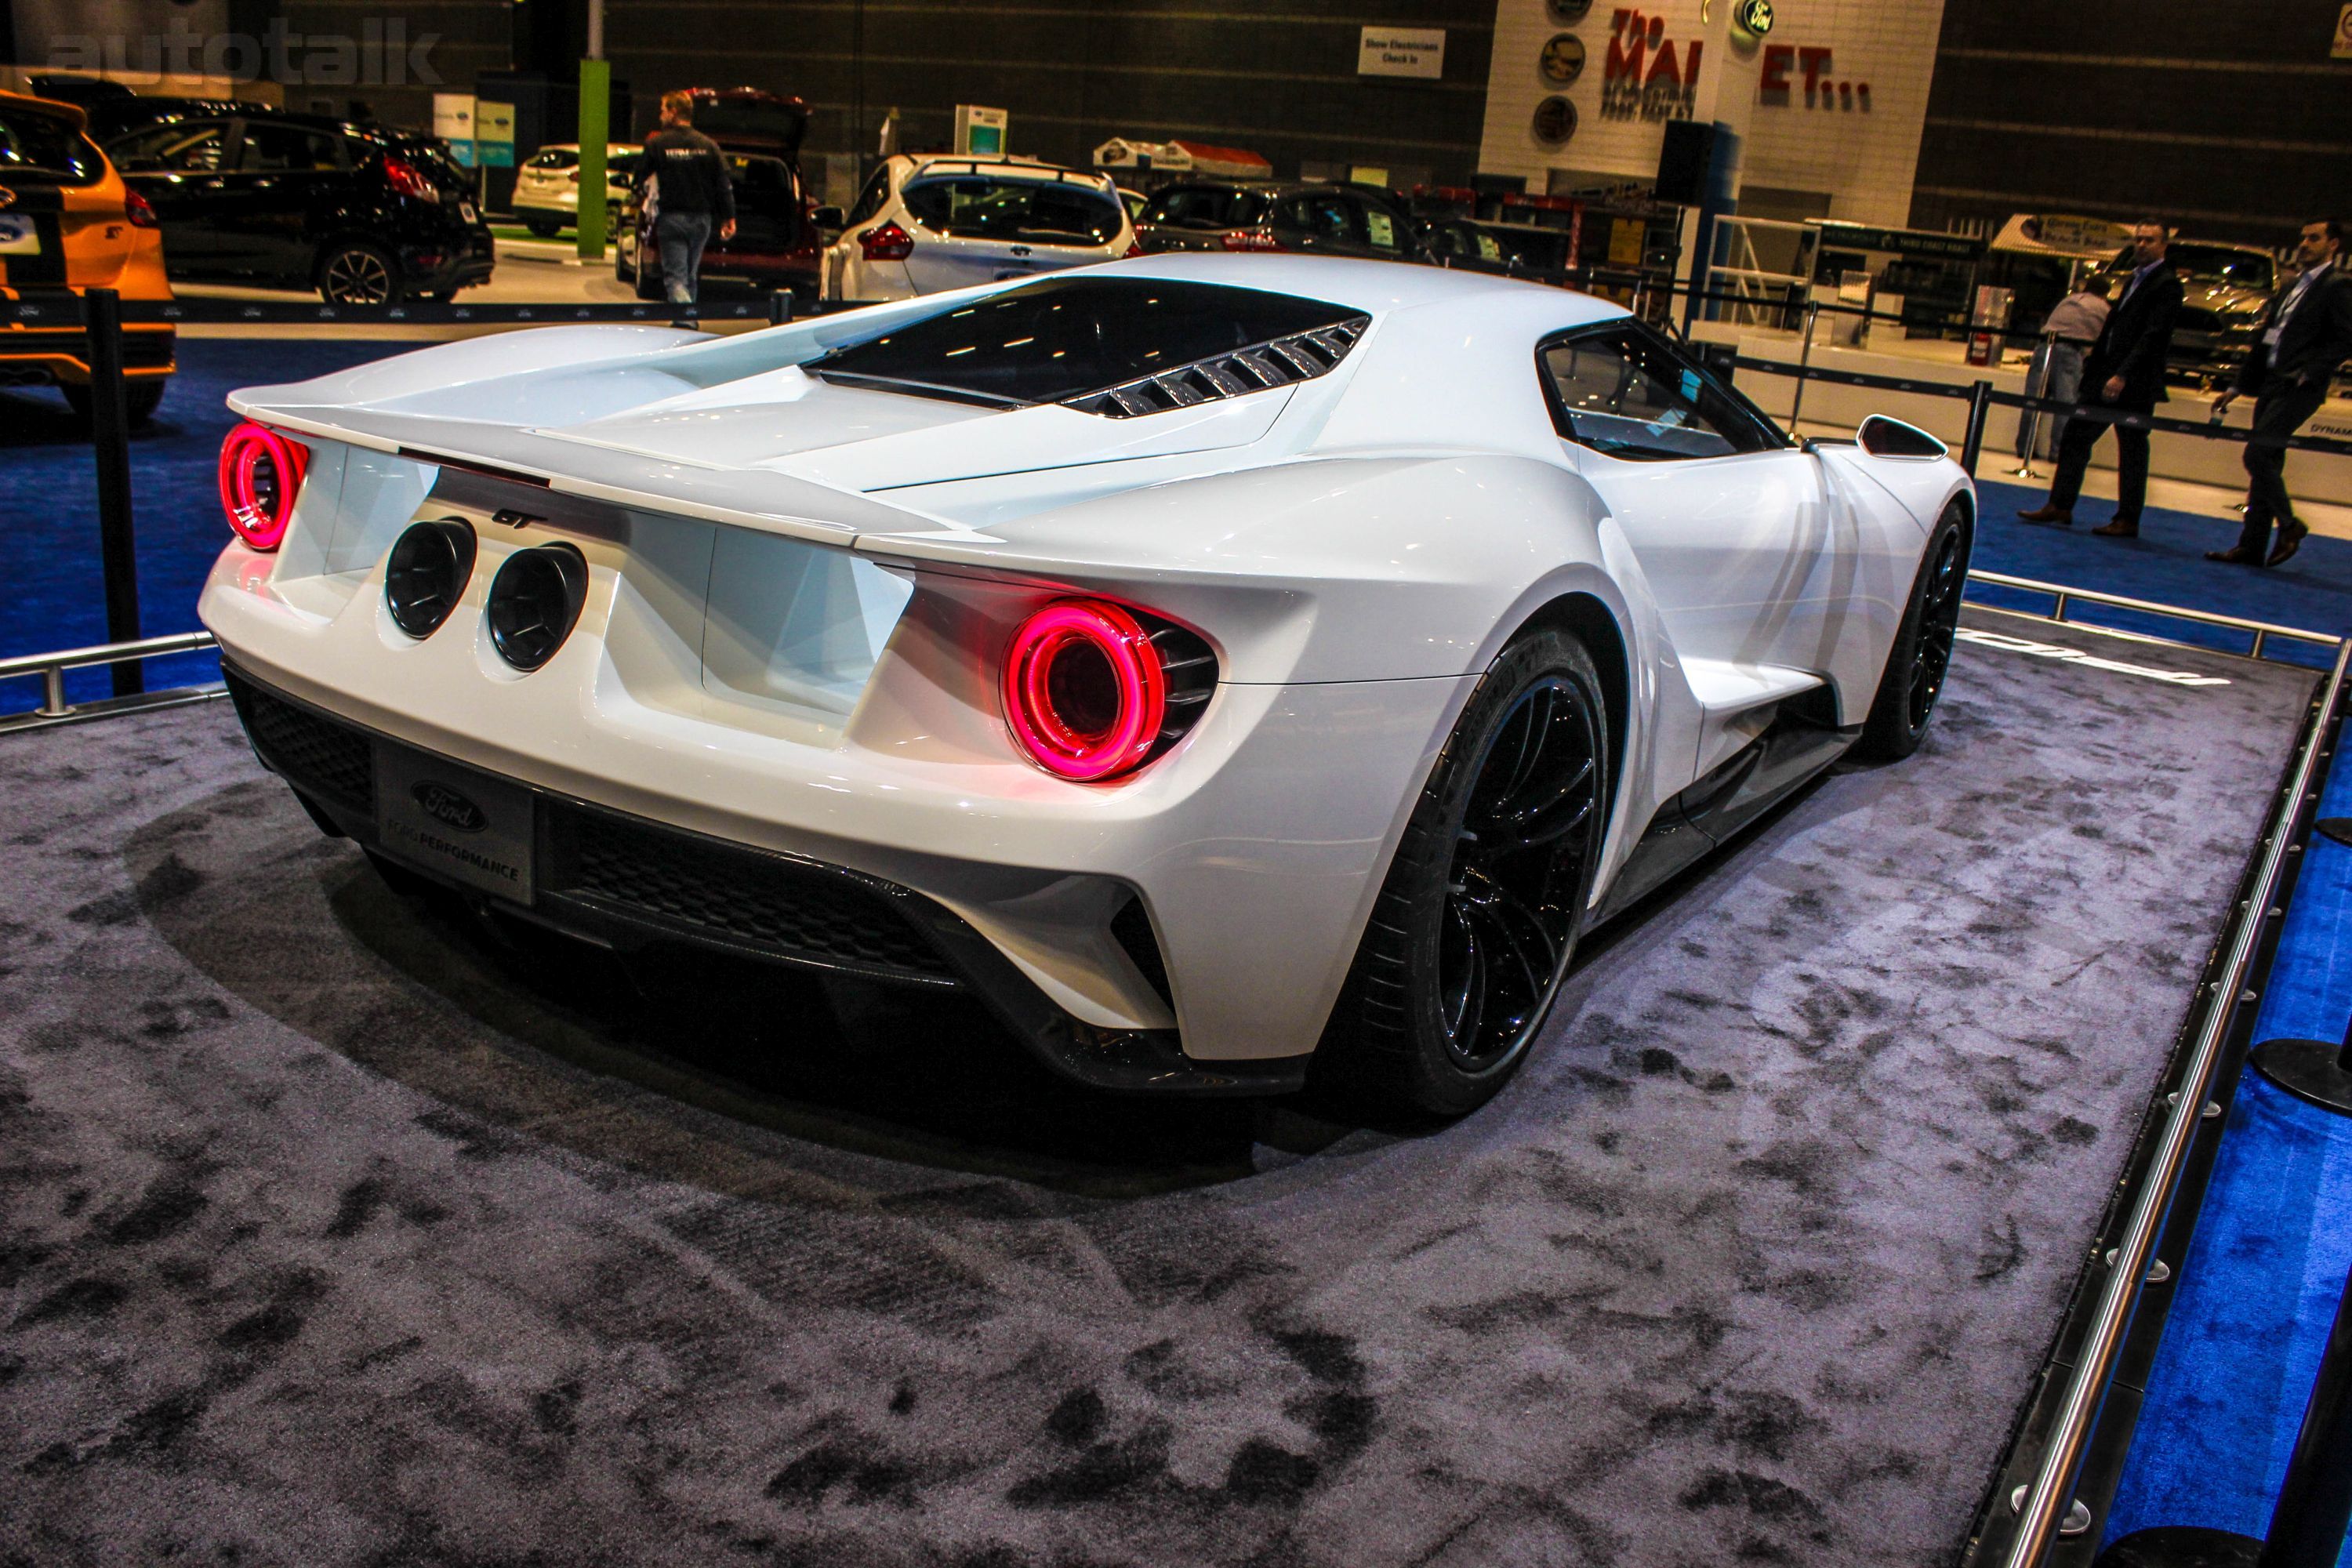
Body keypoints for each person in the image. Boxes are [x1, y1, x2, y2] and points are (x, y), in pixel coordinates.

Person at [2017, 222, 2183, 538]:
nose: (2142, 245)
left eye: (2149, 240)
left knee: (2132, 450)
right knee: (2075, 436)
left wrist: (2123, 374)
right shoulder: (2135, 279)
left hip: (2134, 382)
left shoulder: (2167, 285)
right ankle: (2060, 504)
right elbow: (2114, 329)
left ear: (2163, 246)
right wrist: (2095, 369)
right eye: (2138, 239)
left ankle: (2127, 519)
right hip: (2104, 376)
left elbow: (2154, 336)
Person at [2205, 218, 2352, 568]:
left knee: (2256, 454)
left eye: (2313, 239)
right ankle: (2251, 546)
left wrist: (2312, 372)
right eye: (2302, 238)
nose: (2304, 244)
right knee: (2266, 461)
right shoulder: (2290, 286)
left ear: (2333, 245)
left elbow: (2347, 338)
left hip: (2298, 388)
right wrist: (2238, 385)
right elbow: (2265, 339)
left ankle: (2290, 526)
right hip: (2271, 383)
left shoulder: (2338, 285)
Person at [637, 92, 735, 330]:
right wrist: (728, 217)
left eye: (663, 110)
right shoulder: (708, 145)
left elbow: (639, 178)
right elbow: (723, 184)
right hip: (702, 220)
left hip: (672, 218)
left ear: (673, 112)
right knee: (690, 274)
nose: (660, 115)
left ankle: (685, 320)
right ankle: (688, 314)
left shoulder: (657, 144)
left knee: (676, 276)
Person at [2020, 276, 2110, 462]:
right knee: (2065, 406)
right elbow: (2106, 339)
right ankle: (2058, 452)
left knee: (2033, 401)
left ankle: (2024, 448)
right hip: (2069, 352)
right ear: (2104, 294)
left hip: (2043, 348)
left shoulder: (2068, 301)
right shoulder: (2103, 308)